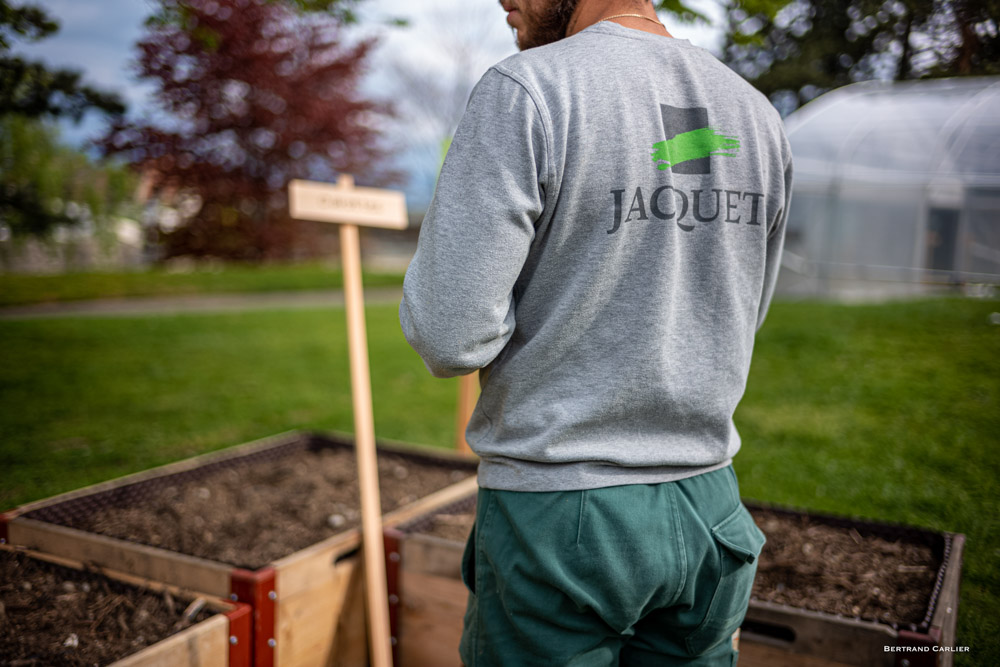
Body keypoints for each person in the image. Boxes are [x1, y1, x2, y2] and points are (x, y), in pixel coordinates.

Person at [399, 0, 792, 664]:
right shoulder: (755, 112)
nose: (502, 1)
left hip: (562, 518)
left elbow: (449, 333)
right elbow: (740, 312)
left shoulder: (527, 91)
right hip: (710, 510)